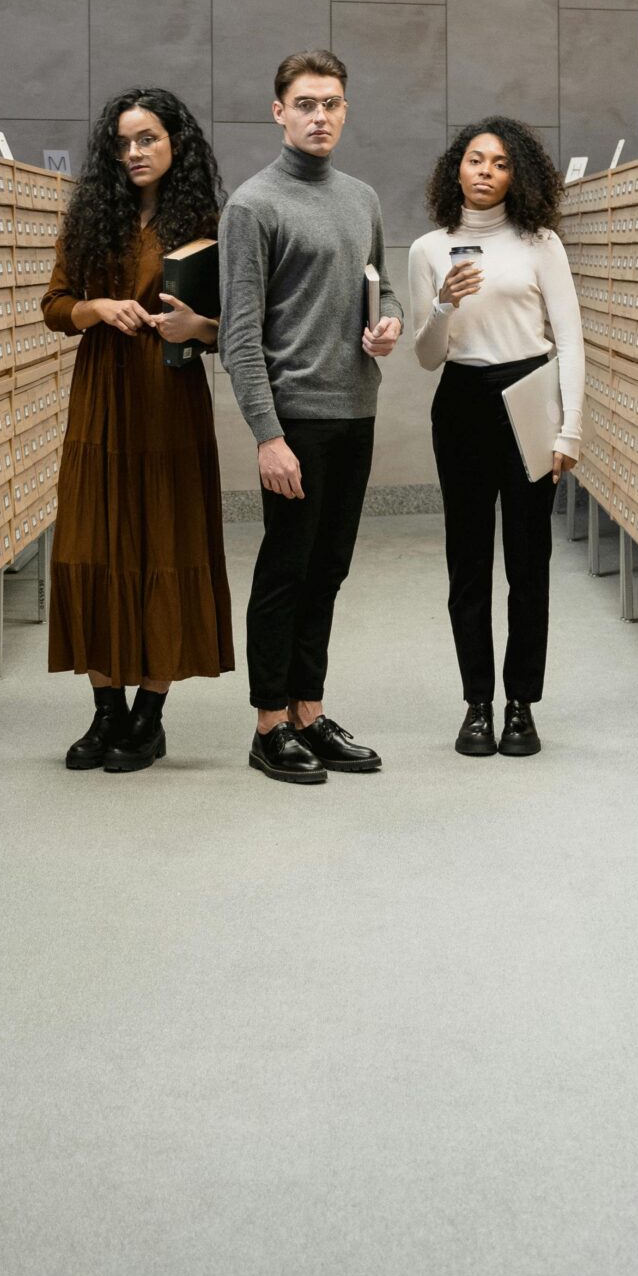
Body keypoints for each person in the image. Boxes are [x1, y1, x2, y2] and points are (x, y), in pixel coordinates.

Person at [219, 50, 403, 786]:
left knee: (327, 571)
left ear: (345, 110)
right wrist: (267, 436)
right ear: (278, 111)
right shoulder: (253, 205)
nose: (319, 115)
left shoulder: (360, 198)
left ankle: (307, 711)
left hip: (354, 411)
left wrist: (387, 323)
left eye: (331, 103)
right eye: (305, 103)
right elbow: (238, 337)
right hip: (293, 420)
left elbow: (382, 287)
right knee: (285, 573)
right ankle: (268, 726)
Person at [41, 88, 234, 771]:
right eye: (124, 142)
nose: (135, 153)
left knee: (166, 541)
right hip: (101, 398)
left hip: (168, 399)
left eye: (147, 138)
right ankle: (106, 714)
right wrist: (95, 307)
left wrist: (197, 327)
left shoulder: (207, 222)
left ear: (174, 142)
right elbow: (54, 305)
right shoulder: (93, 219)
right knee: (90, 544)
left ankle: (148, 718)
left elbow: (231, 326)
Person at [409, 118, 583, 758]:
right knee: (468, 563)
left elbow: (569, 340)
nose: (485, 171)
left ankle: (521, 706)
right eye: (475, 159)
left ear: (519, 175)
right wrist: (444, 306)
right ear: (456, 167)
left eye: (500, 163)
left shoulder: (541, 244)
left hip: (530, 396)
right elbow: (427, 357)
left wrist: (572, 426)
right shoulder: (429, 249)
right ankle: (477, 704)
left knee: (529, 562)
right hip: (461, 401)